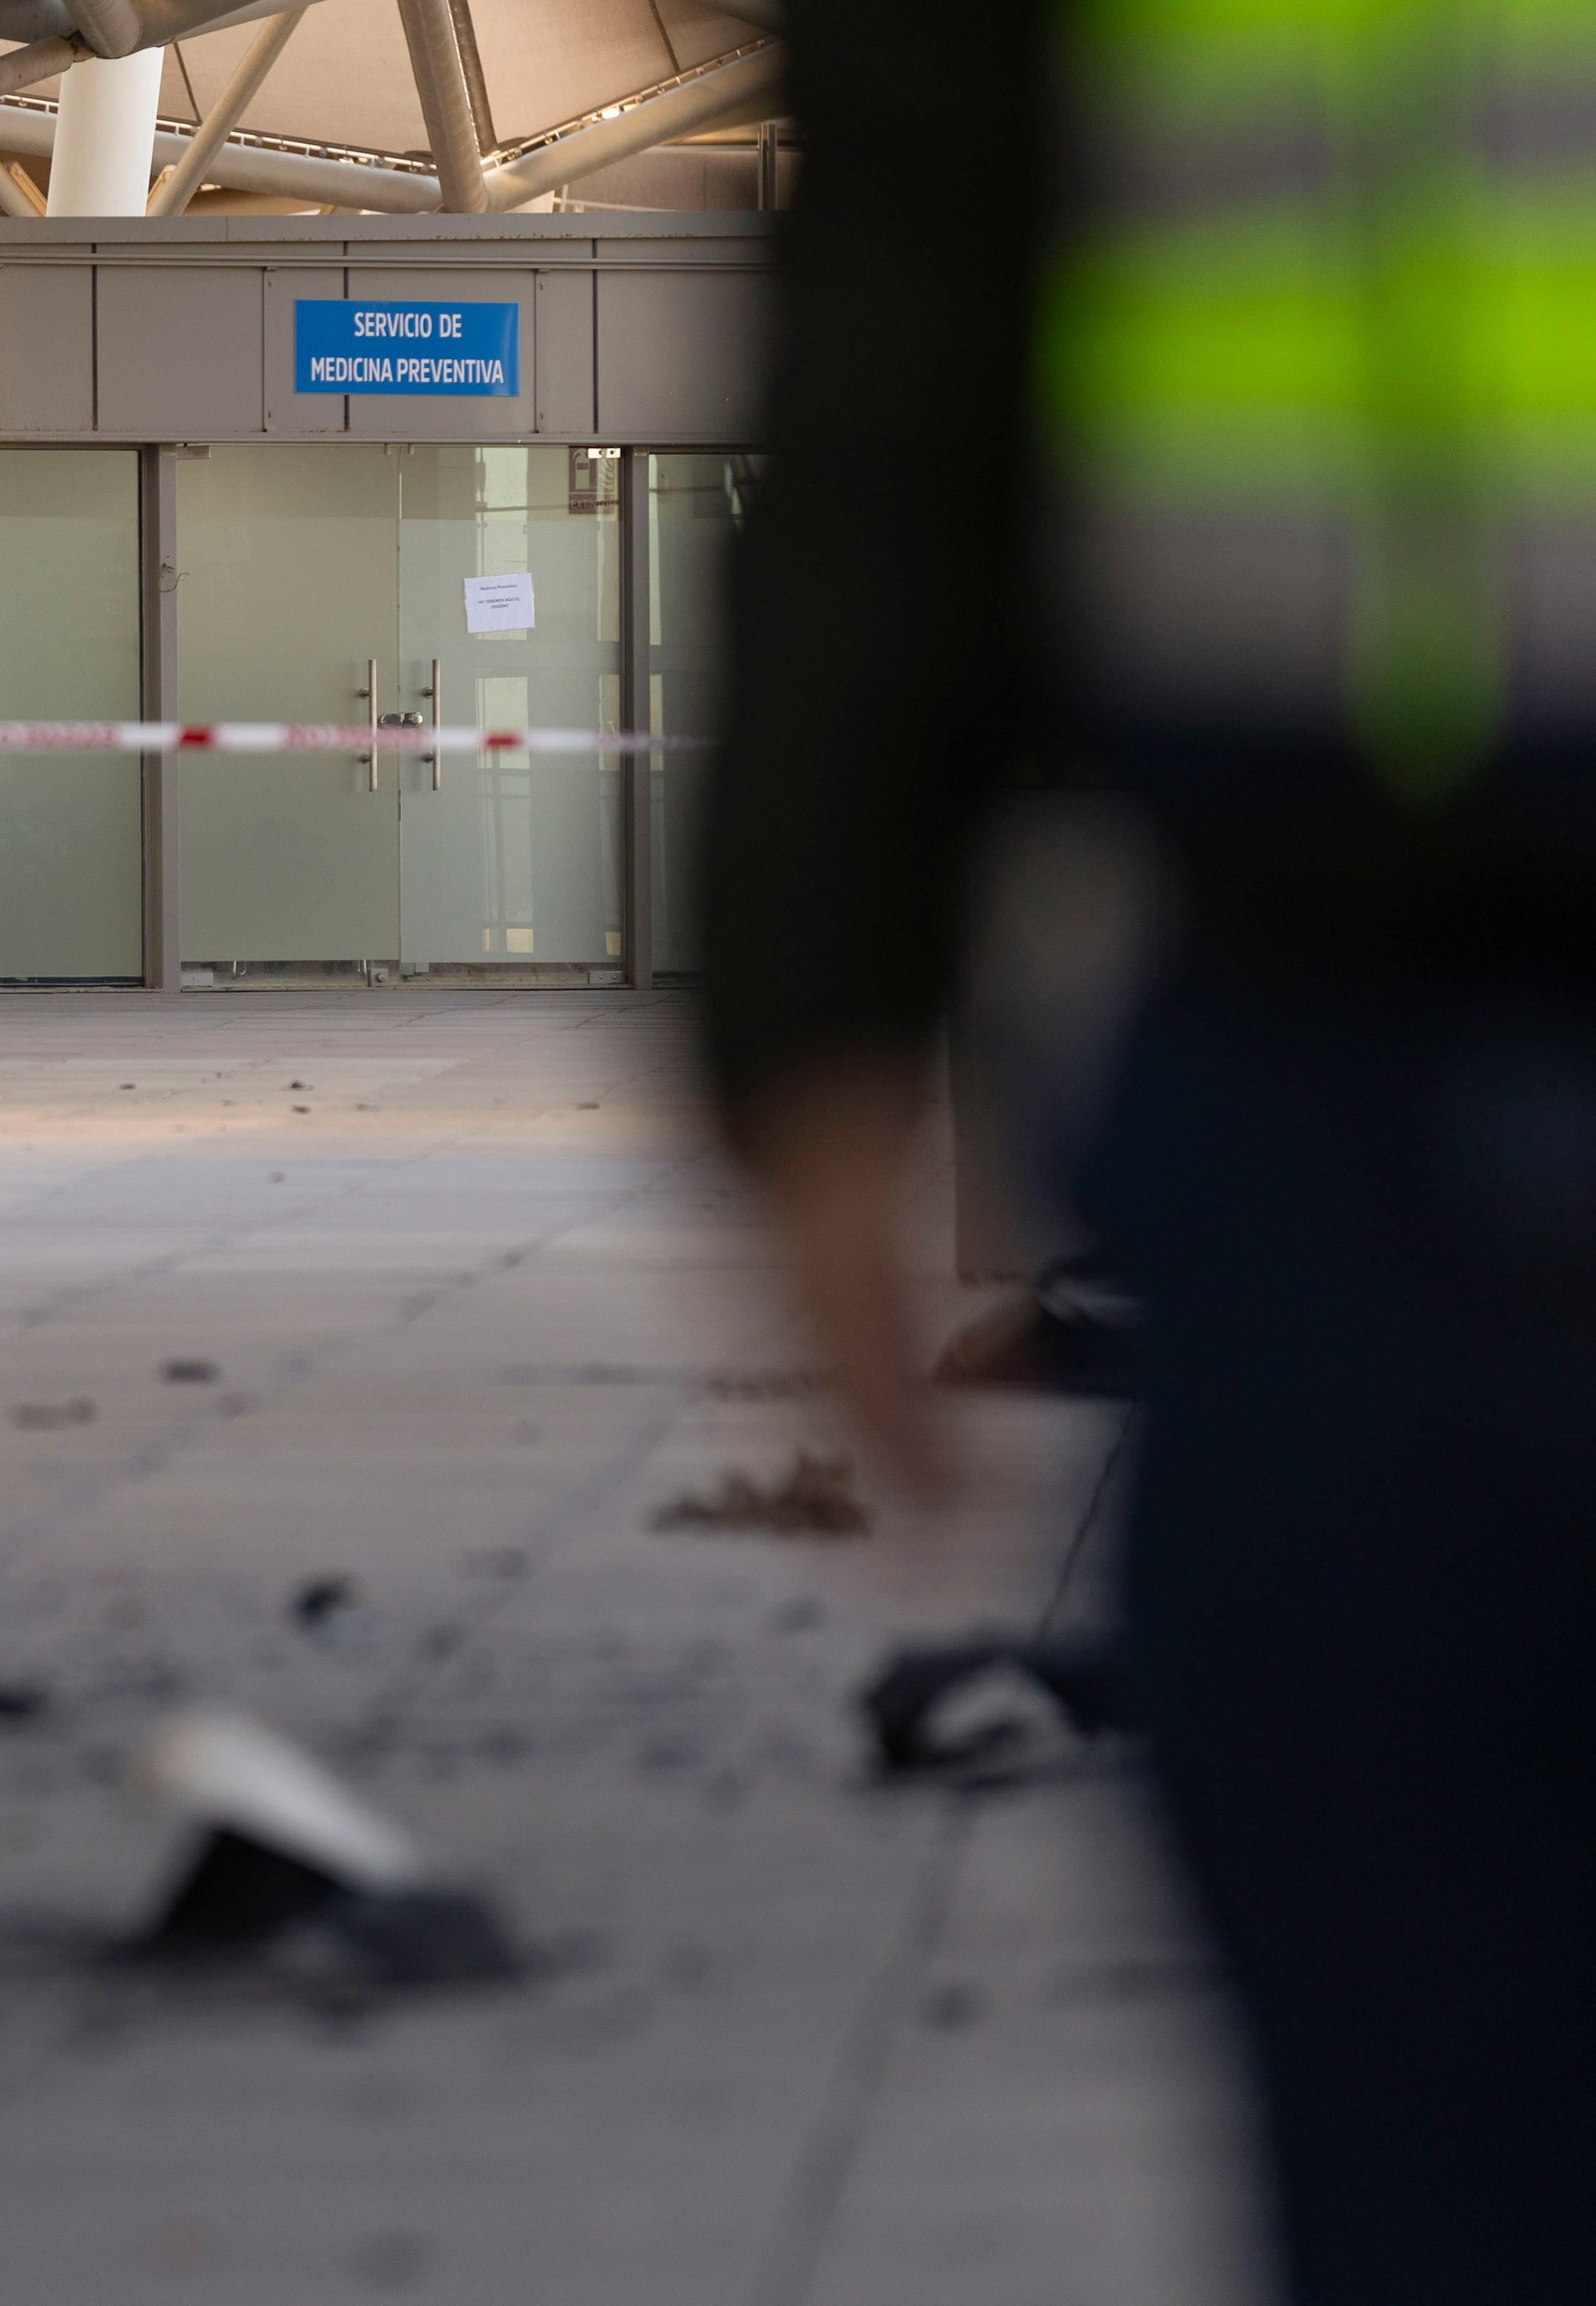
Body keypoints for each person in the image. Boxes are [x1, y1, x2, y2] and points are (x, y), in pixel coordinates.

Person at [704, 3, 1595, 2300]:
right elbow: (914, 329)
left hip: (1317, 1070)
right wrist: (811, 1014)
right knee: (1409, 2083)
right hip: (1316, 1049)